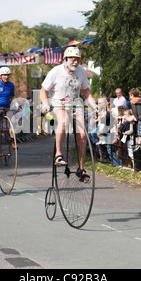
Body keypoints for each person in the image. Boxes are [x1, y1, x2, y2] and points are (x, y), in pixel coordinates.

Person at [40, 46, 96, 183]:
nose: (75, 62)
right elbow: (43, 91)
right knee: (64, 122)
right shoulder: (56, 71)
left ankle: (81, 169)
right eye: (72, 59)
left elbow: (86, 91)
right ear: (65, 59)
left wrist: (95, 105)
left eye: (77, 59)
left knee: (82, 135)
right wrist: (45, 103)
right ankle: (58, 154)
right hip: (59, 103)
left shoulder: (81, 71)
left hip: (76, 104)